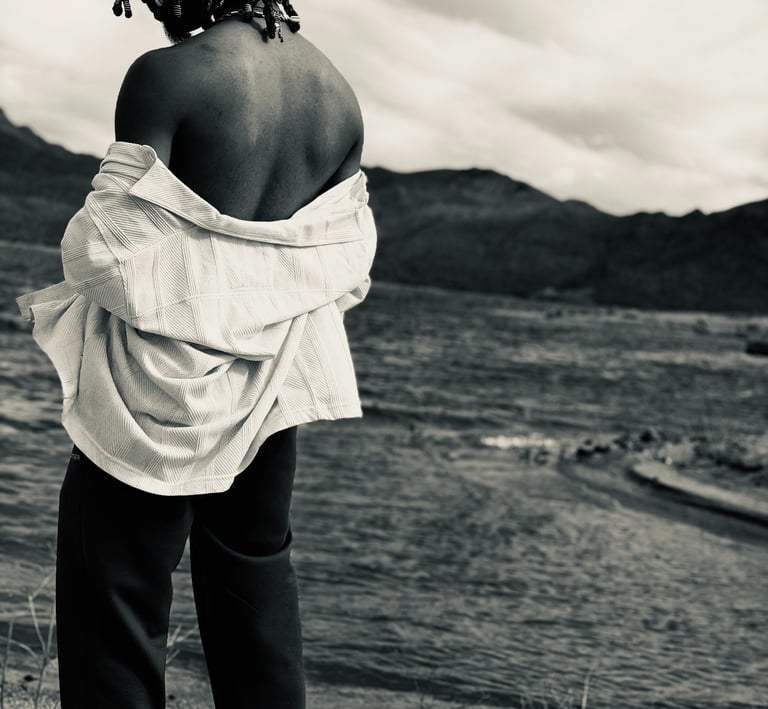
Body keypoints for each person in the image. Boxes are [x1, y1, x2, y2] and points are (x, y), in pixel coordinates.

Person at [16, 1, 376, 707]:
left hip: (148, 396)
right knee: (258, 617)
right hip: (270, 391)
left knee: (115, 620)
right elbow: (332, 262)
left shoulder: (167, 76)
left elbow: (108, 249)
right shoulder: (340, 100)